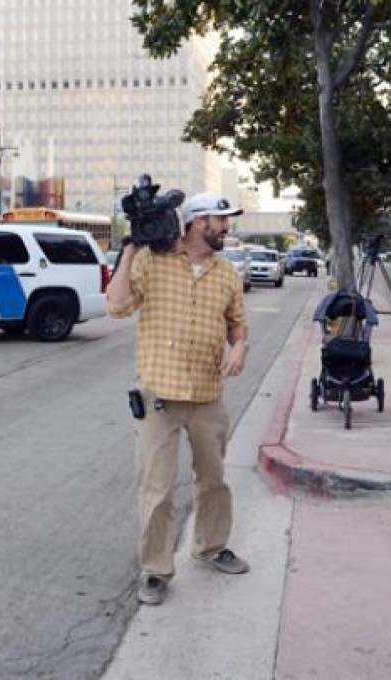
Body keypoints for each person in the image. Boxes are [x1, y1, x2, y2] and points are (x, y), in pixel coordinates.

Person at [107, 191, 251, 606]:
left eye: (226, 220)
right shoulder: (151, 261)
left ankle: (211, 547)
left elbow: (237, 326)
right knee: (157, 488)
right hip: (159, 397)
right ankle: (155, 569)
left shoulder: (226, 273)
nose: (226, 227)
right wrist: (132, 246)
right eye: (219, 219)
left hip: (208, 396)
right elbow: (116, 306)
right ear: (195, 222)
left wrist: (239, 347)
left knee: (214, 481)